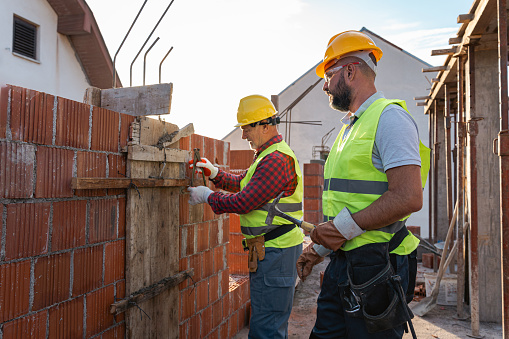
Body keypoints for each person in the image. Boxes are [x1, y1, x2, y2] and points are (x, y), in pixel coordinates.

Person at [296, 31, 430, 339]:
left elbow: (409, 197)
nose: (326, 86)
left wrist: (338, 231)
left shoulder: (390, 119)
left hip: (378, 267)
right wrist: (317, 249)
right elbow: (351, 205)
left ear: (350, 71)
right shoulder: (349, 128)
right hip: (345, 263)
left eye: (328, 76)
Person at [187, 94, 304, 339]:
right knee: (266, 320)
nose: (243, 135)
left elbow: (246, 201)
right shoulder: (267, 155)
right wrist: (216, 173)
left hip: (276, 251)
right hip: (272, 250)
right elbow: (245, 182)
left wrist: (208, 196)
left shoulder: (276, 159)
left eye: (246, 128)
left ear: (265, 125)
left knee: (266, 327)